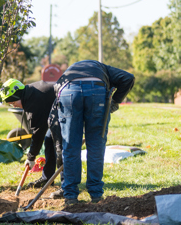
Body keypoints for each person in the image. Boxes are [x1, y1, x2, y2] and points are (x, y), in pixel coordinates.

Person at [50, 60, 134, 205]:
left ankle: (70, 196)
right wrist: (115, 101)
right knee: (95, 146)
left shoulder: (67, 74)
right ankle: (96, 196)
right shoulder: (105, 69)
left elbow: (54, 118)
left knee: (71, 148)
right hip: (97, 92)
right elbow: (129, 78)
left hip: (67, 92)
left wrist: (61, 146)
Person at [0, 79, 64, 199]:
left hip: (67, 111)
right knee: (49, 140)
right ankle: (48, 178)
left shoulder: (34, 102)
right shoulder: (29, 93)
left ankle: (66, 186)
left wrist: (31, 157)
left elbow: (38, 132)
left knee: (60, 146)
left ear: (18, 95)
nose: (14, 106)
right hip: (55, 113)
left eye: (14, 103)